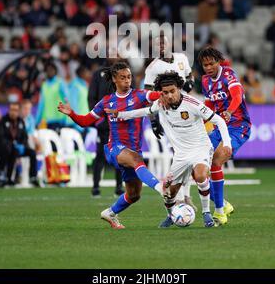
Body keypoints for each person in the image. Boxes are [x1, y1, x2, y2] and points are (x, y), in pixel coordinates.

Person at [108, 71, 232, 228]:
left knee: (200, 175)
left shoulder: (193, 104)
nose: (169, 96)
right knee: (169, 192)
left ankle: (206, 213)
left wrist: (227, 143)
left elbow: (219, 120)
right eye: (165, 92)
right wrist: (121, 115)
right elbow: (145, 112)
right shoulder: (160, 104)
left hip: (200, 148)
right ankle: (171, 215)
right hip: (181, 154)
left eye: (172, 91)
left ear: (179, 88)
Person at [57, 61, 168, 229]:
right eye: (123, 77)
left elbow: (152, 95)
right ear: (114, 79)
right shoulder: (107, 102)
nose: (127, 80)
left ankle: (110, 213)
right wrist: (71, 113)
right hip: (114, 148)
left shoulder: (138, 95)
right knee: (136, 158)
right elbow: (86, 121)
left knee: (134, 195)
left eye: (129, 77)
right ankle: (161, 188)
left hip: (132, 151)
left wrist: (163, 94)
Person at [144, 33, 197, 227]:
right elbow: (146, 95)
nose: (160, 47)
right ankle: (182, 198)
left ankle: (185, 197)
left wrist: (191, 82)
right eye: (156, 44)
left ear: (169, 44)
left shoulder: (182, 59)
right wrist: (153, 120)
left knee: (186, 154)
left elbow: (190, 77)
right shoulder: (153, 68)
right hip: (168, 115)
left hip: (187, 110)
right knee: (181, 154)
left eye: (162, 43)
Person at [198, 47, 252, 225]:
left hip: (238, 126)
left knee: (216, 160)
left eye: (211, 63)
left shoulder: (228, 75)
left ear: (218, 61)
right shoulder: (205, 81)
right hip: (218, 127)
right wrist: (201, 119)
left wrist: (229, 111)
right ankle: (224, 204)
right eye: (205, 65)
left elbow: (237, 96)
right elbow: (208, 103)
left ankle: (219, 212)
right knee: (197, 166)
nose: (208, 67)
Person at [88, 58, 125, 198]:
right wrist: (96, 117)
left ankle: (119, 186)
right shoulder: (98, 74)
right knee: (100, 154)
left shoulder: (123, 73)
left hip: (118, 121)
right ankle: (96, 186)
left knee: (119, 153)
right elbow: (92, 96)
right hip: (103, 122)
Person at [0, 102, 39, 186]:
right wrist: (11, 144)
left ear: (18, 111)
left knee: (32, 152)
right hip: (6, 147)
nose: (14, 112)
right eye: (12, 110)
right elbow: (0, 136)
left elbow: (24, 136)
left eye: (16, 110)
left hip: (18, 147)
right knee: (11, 151)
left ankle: (33, 177)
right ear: (9, 110)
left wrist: (23, 145)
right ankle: (8, 177)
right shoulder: (3, 121)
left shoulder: (20, 121)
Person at [36, 62, 70, 130]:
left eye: (52, 70)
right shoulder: (44, 85)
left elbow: (68, 100)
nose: (50, 72)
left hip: (60, 119)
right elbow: (41, 104)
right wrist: (37, 121)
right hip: (48, 120)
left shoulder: (60, 83)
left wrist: (68, 118)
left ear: (55, 71)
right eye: (48, 70)